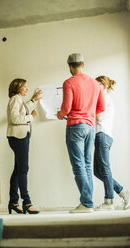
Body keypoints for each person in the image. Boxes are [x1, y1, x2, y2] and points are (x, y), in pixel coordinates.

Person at [57, 53, 105, 213]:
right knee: (86, 165)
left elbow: (66, 108)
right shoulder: (95, 84)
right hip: (90, 127)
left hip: (75, 127)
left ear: (70, 66)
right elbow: (101, 107)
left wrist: (59, 114)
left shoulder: (68, 82)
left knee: (78, 165)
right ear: (83, 65)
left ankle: (86, 203)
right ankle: (88, 203)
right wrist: (89, 114)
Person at [94, 76, 130, 211]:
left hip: (103, 135)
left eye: (96, 84)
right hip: (103, 135)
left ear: (103, 85)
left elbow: (99, 116)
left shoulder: (104, 98)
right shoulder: (105, 97)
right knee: (98, 171)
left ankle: (108, 202)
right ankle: (122, 192)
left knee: (104, 168)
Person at [7, 78, 41, 214]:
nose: (26, 88)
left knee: (18, 169)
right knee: (23, 169)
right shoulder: (15, 98)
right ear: (17, 87)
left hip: (20, 137)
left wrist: (33, 100)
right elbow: (15, 118)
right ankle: (26, 202)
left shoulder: (18, 100)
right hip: (18, 137)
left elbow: (23, 110)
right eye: (24, 86)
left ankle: (13, 202)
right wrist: (31, 117)